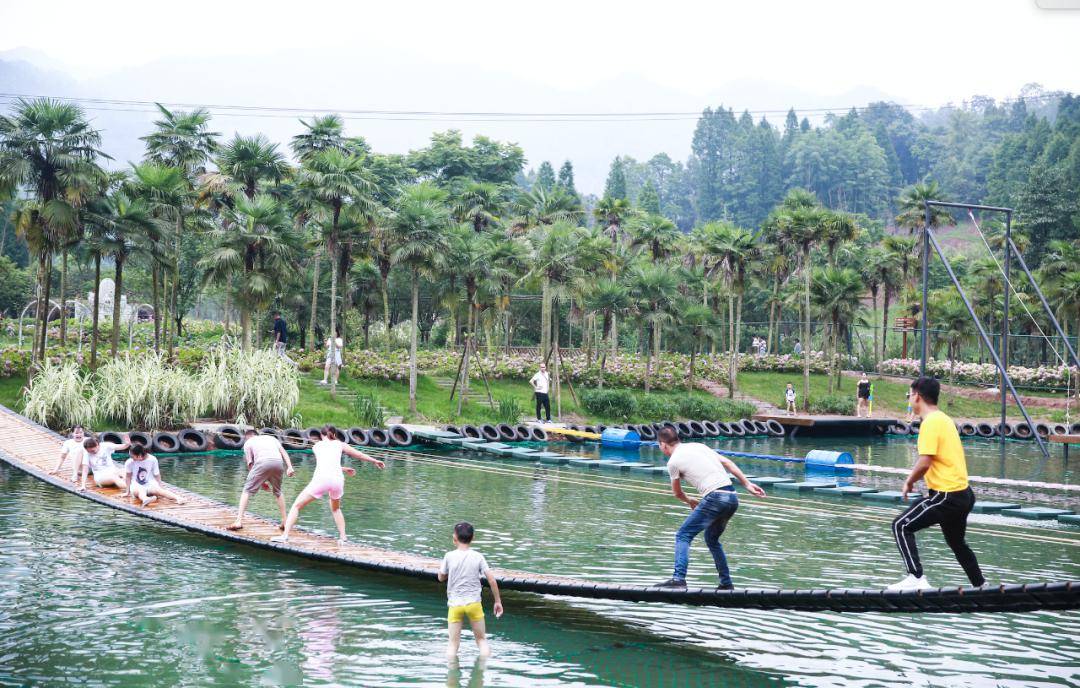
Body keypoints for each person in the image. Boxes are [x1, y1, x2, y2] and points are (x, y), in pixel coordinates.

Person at [889, 376, 985, 591]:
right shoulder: (943, 419)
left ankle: (916, 577)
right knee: (957, 544)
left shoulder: (930, 423)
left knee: (901, 525)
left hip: (947, 496)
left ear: (917, 396)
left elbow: (925, 461)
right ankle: (981, 586)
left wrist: (909, 482)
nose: (909, 400)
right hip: (963, 494)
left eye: (909, 395)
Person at [654, 426, 766, 590]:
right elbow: (728, 462)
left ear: (663, 444)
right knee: (712, 539)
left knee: (683, 535)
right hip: (732, 498)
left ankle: (678, 579)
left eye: (659, 445)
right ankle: (726, 584)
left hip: (715, 498)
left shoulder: (673, 462)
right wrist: (747, 484)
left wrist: (689, 500)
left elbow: (677, 493)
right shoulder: (699, 446)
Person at [271, 424, 384, 545]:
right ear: (335, 435)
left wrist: (343, 468)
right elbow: (359, 455)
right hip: (337, 481)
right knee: (336, 509)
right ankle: (343, 538)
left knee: (296, 506)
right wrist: (374, 461)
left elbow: (325, 464)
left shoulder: (316, 446)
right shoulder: (341, 444)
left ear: (321, 435)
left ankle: (285, 536)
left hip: (321, 480)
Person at [439, 522, 503, 659]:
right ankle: (484, 668)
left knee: (452, 645)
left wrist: (448, 573)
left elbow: (440, 577)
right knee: (481, 641)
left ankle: (451, 675)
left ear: (454, 537)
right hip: (473, 604)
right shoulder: (478, 556)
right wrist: (497, 601)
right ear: (473, 537)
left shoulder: (449, 556)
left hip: (455, 605)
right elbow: (492, 580)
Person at [227, 429, 296, 531]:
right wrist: (290, 467)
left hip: (262, 463)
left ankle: (238, 521)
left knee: (246, 490)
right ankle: (285, 521)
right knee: (278, 492)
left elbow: (250, 464)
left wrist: (261, 482)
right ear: (257, 435)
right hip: (278, 463)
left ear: (247, 437)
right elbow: (283, 452)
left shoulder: (248, 443)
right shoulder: (271, 438)